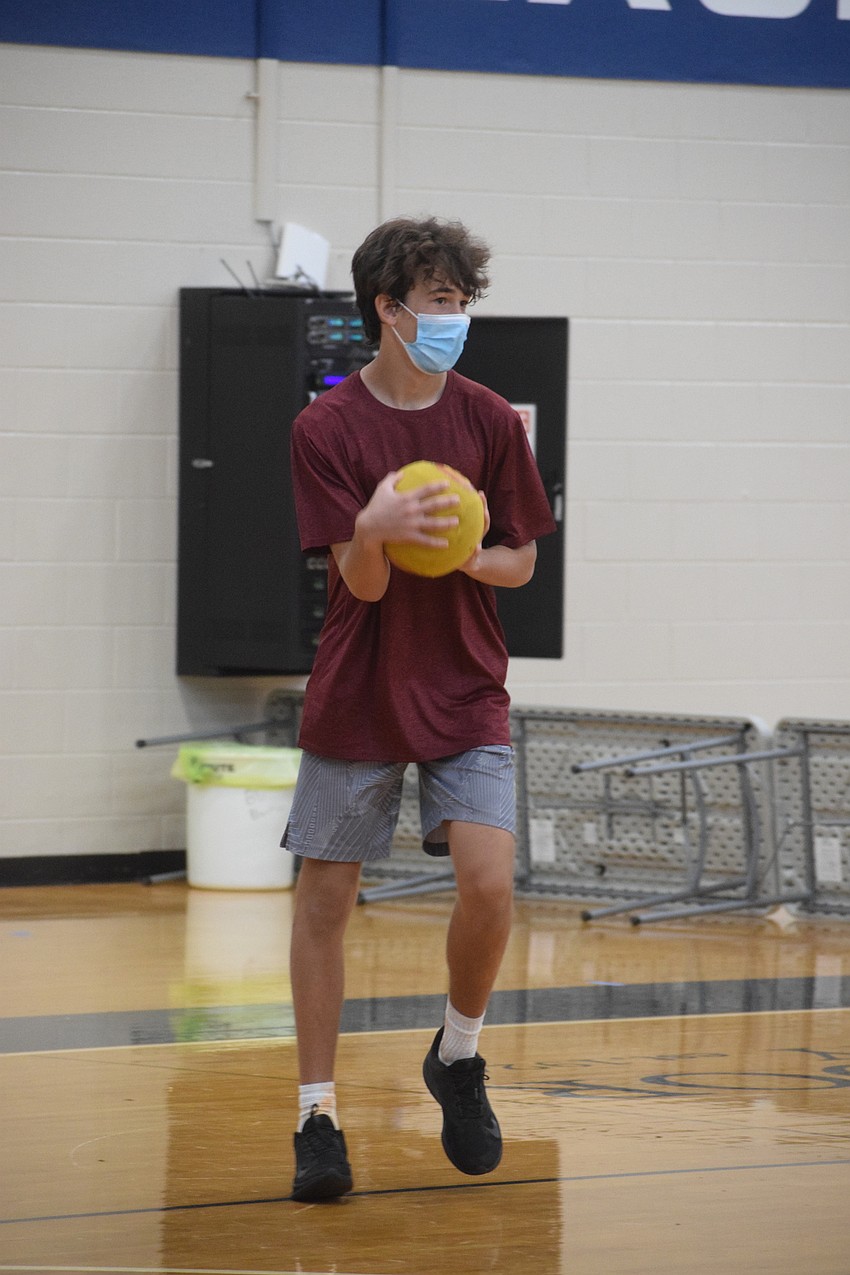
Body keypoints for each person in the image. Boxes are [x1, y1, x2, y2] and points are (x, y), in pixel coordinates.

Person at [282, 216, 556, 1202]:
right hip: (358, 686)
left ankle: (459, 1054)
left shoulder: (488, 420)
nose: (453, 317)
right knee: (324, 902)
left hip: (466, 681)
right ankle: (318, 1114)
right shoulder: (326, 428)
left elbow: (522, 556)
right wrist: (373, 526)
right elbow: (352, 581)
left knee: (489, 883)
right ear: (387, 311)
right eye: (437, 301)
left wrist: (471, 556)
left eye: (459, 300)